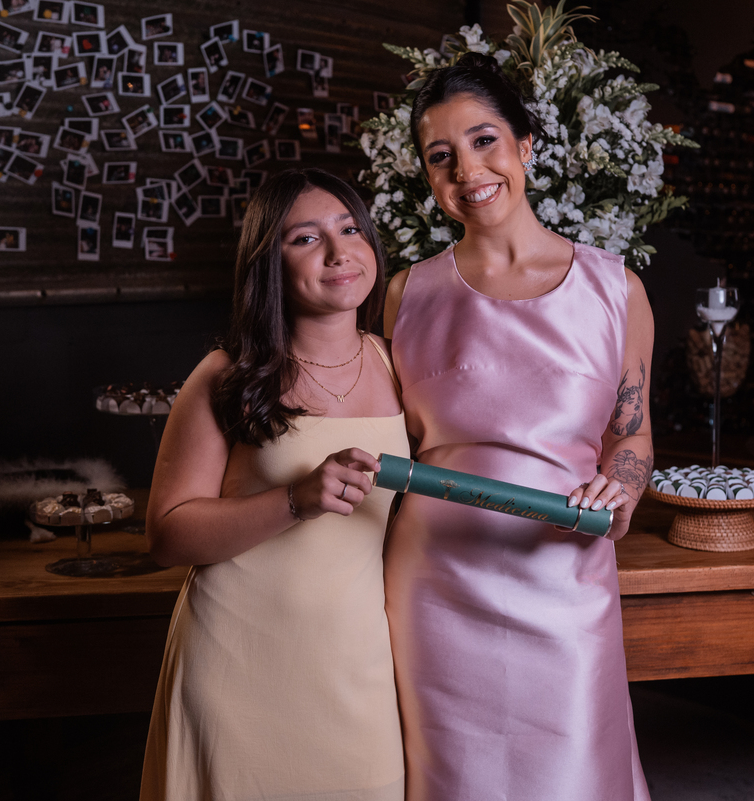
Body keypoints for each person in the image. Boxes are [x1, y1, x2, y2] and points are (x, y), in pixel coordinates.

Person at [383, 53, 655, 799]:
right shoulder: (407, 294)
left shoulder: (616, 290)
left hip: (563, 573)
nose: (467, 170)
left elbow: (630, 434)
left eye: (484, 141)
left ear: (525, 145)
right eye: (440, 156)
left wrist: (622, 490)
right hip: (435, 585)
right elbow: (387, 439)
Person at [140, 169, 407, 801]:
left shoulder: (400, 362)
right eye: (306, 238)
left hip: (359, 663)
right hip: (239, 663)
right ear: (269, 261)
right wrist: (294, 499)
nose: (339, 253)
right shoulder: (227, 373)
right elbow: (167, 534)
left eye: (350, 230)